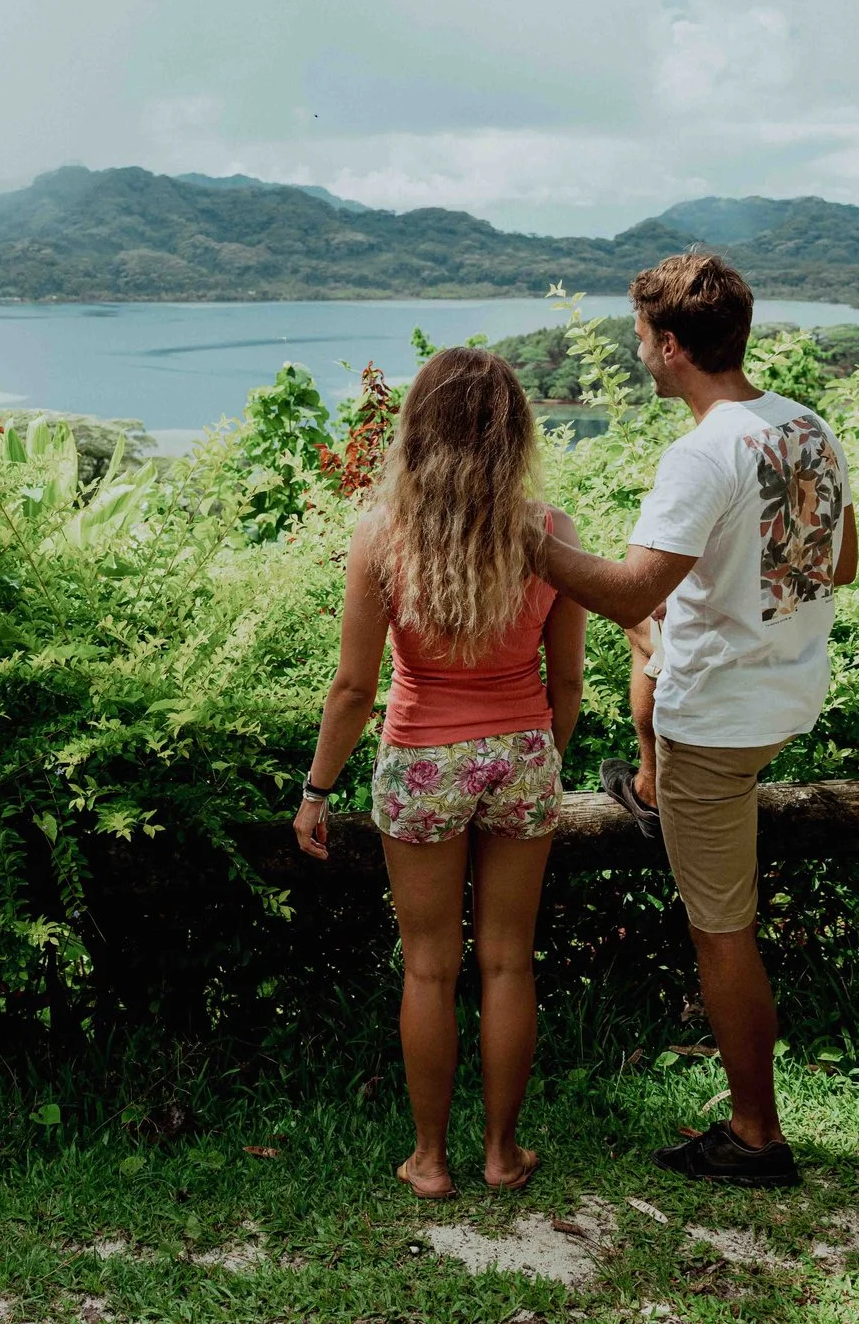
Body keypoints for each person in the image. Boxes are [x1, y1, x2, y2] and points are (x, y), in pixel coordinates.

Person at [526, 254, 857, 1188]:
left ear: (669, 346)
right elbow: (841, 562)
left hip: (717, 721)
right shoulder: (806, 424)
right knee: (653, 631)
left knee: (723, 931)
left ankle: (756, 1135)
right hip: (787, 689)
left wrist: (531, 543)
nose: (639, 350)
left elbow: (628, 584)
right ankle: (648, 783)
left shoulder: (701, 451)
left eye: (640, 336)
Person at [293, 348, 589, 1200]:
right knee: (508, 962)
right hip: (523, 754)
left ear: (418, 429)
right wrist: (541, 753)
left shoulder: (382, 534)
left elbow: (353, 688)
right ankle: (502, 1153)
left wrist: (316, 792)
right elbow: (565, 682)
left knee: (429, 966)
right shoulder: (551, 534)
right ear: (513, 434)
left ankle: (430, 1158)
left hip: (421, 758)